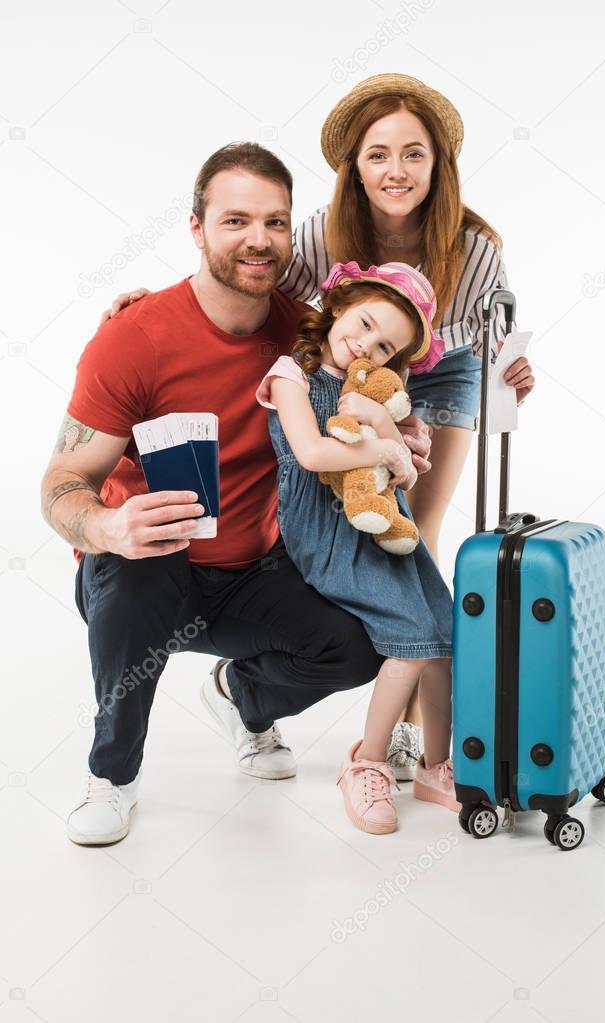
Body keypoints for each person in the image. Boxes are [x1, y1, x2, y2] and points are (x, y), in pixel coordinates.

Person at [96, 73, 535, 780]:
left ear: (437, 164)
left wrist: (510, 369)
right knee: (366, 527)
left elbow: (496, 333)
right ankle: (348, 695)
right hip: (350, 365)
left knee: (417, 536)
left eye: (413, 154)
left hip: (441, 364)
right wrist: (157, 304)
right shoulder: (320, 234)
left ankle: (417, 736)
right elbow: (247, 272)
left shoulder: (474, 244)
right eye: (378, 154)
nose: (395, 170)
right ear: (354, 166)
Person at [39, 142, 431, 847]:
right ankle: (112, 775)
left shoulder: (306, 333)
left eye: (275, 223)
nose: (258, 239)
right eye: (235, 221)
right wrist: (106, 526)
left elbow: (371, 378)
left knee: (357, 643)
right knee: (137, 584)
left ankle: (239, 697)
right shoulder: (132, 338)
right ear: (196, 228)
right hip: (148, 558)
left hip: (253, 569)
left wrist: (406, 433)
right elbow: (62, 485)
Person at [254, 259, 457, 835]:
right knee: (410, 644)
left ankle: (434, 766)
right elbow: (315, 455)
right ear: (339, 306)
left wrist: (382, 426)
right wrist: (385, 451)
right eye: (364, 323)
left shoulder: (369, 389)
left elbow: (407, 470)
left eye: (385, 346)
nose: (366, 344)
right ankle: (366, 763)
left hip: (386, 519)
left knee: (443, 635)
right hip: (326, 527)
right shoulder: (291, 374)